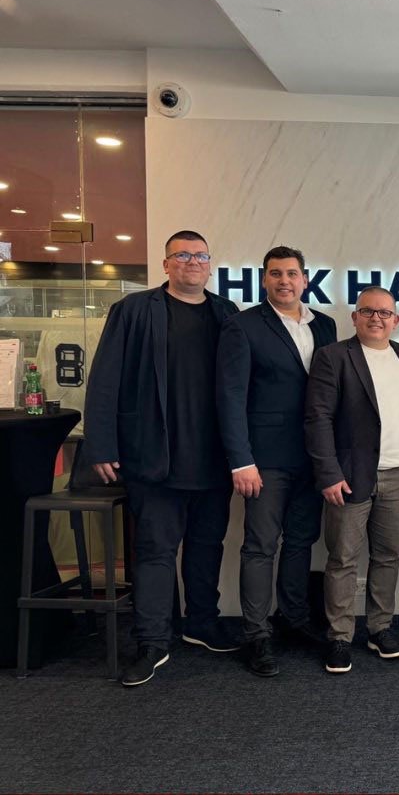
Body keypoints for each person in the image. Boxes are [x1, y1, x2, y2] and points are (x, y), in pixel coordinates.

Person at [84, 230, 239, 686]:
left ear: (210, 265)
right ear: (166, 263)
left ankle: (201, 624)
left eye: (200, 256)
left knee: (208, 546)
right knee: (155, 552)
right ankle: (152, 641)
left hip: (213, 459)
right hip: (153, 456)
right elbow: (105, 378)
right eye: (182, 255)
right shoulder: (134, 310)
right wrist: (101, 444)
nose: (192, 262)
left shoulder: (226, 313)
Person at [216, 246, 337, 677]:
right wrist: (240, 460)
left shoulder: (325, 325)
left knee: (301, 541)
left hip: (313, 457)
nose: (284, 281)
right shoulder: (243, 325)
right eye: (275, 274)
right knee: (260, 546)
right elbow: (230, 396)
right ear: (264, 279)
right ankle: (257, 633)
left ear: (305, 279)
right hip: (263, 460)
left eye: (291, 273)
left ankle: (295, 619)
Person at [304, 287, 399, 674]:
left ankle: (380, 628)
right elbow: (318, 418)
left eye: (384, 313)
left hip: (398, 473)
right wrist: (329, 473)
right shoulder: (333, 357)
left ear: (396, 320)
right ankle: (339, 637)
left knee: (388, 555)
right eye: (367, 311)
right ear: (354, 317)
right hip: (349, 476)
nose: (376, 319)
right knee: (342, 559)